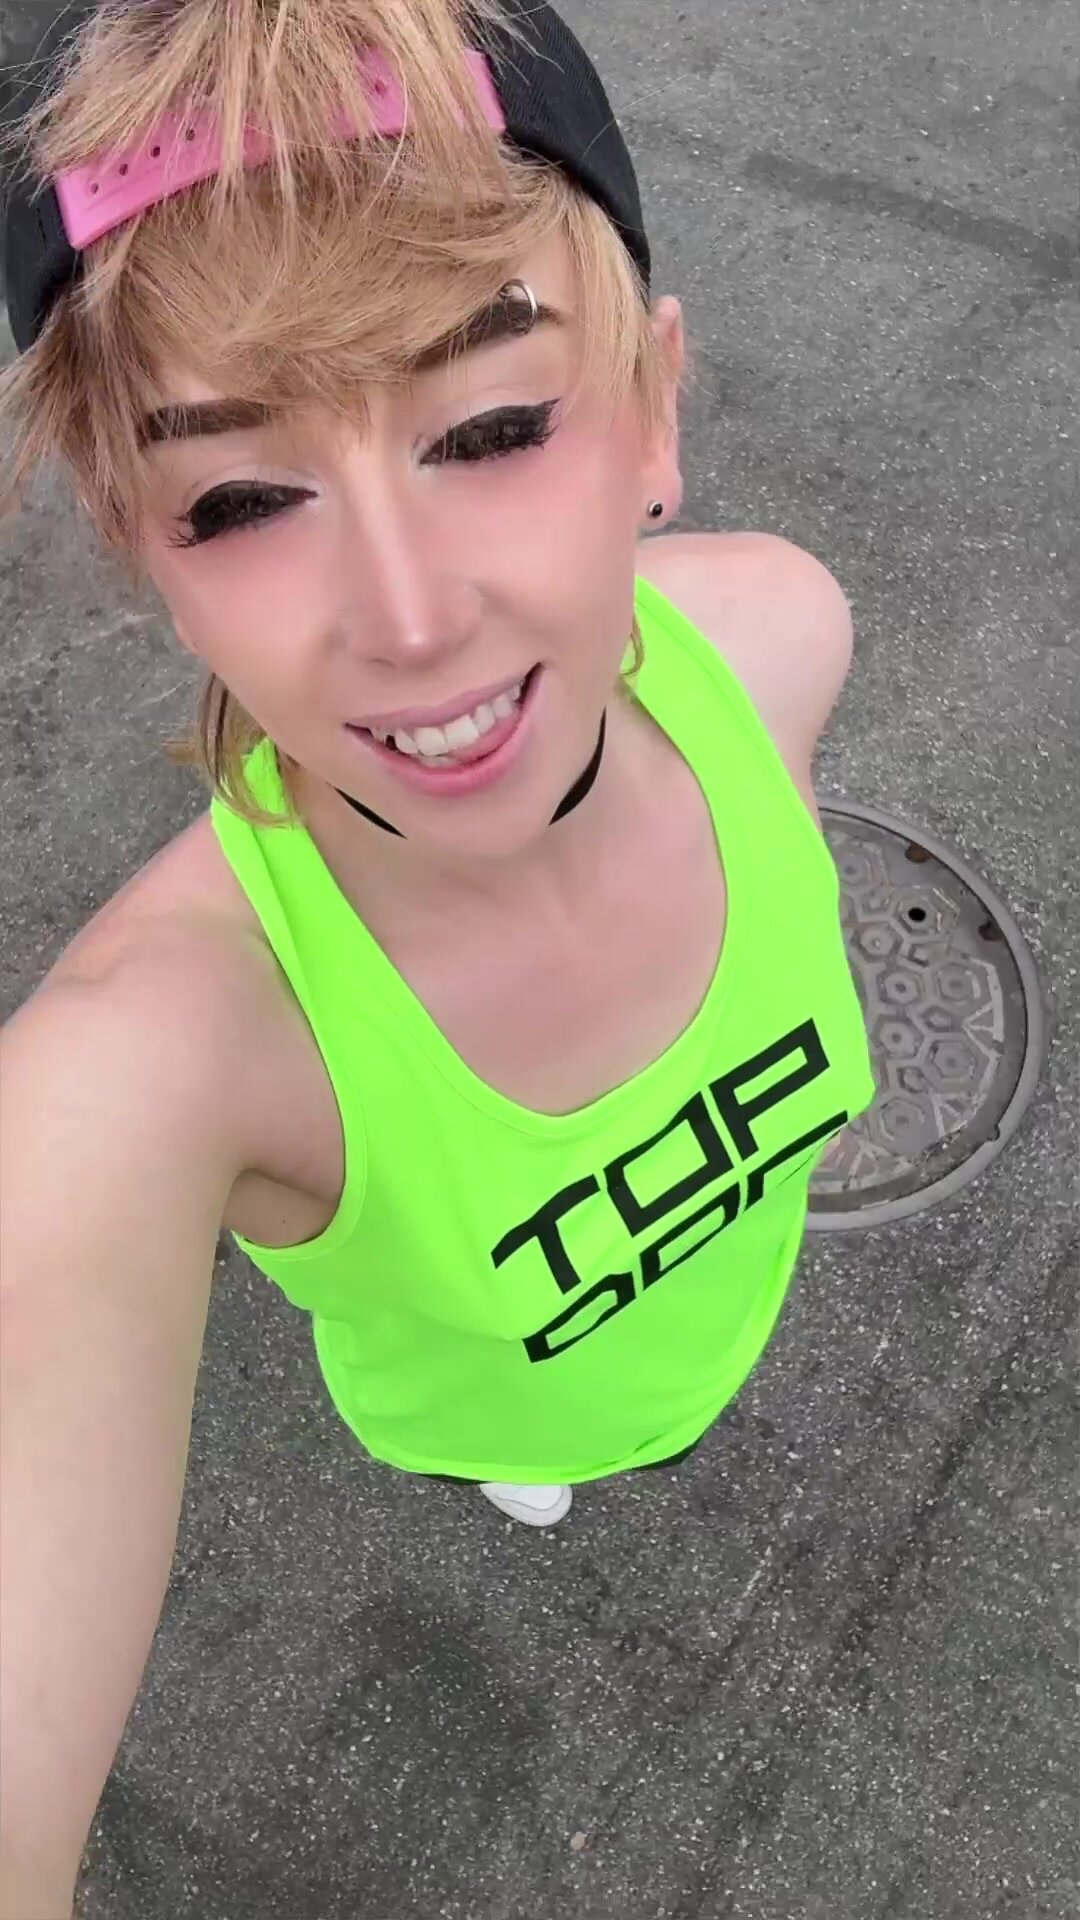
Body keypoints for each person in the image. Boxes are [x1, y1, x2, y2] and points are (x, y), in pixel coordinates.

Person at [0, 0, 875, 1912]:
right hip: (479, 1410)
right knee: (526, 1443)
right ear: (144, 548)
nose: (406, 620)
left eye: (490, 427)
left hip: (726, 1313)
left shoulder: (776, 639)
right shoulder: (149, 1064)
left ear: (655, 411)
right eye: (240, 497)